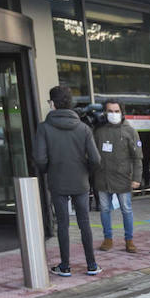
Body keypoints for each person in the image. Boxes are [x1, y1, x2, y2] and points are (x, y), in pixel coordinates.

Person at [33, 85, 102, 277]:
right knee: (84, 222)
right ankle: (91, 265)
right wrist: (85, 172)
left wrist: (50, 170)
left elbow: (39, 158)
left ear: (53, 103)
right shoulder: (84, 128)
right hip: (80, 181)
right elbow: (96, 159)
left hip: (57, 182)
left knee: (63, 224)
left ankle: (65, 266)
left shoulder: (44, 128)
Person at [93, 99, 142, 253]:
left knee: (126, 209)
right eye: (110, 111)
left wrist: (136, 178)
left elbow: (137, 157)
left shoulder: (130, 131)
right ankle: (108, 239)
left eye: (116, 111)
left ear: (122, 112)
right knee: (104, 209)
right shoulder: (99, 131)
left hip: (123, 178)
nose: (113, 114)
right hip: (103, 177)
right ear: (105, 112)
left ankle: (129, 240)